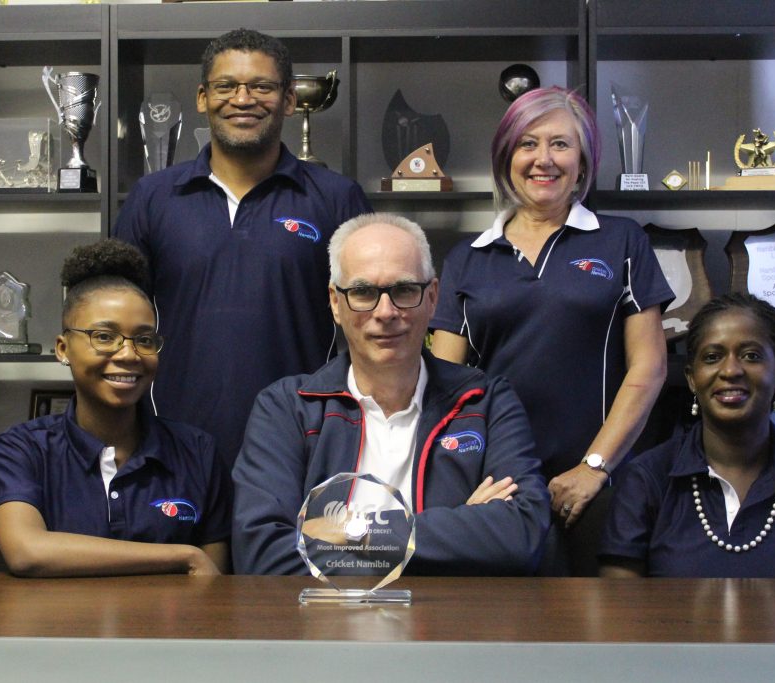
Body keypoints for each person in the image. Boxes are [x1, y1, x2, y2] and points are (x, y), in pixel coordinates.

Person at [430, 87, 673, 573]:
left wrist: (594, 467)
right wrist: (463, 479)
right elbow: (441, 385)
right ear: (506, 159)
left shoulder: (623, 241)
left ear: (582, 163)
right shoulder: (467, 258)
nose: (544, 159)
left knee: (600, 617)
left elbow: (649, 368)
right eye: (528, 143)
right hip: (497, 488)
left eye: (560, 144)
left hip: (598, 487)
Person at [231, 213, 550, 575]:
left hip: (452, 612)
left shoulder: (486, 401)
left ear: (432, 297)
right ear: (335, 303)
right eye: (363, 292)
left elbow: (520, 534)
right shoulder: (287, 407)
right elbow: (264, 555)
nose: (386, 312)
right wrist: (462, 531)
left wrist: (337, 533)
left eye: (404, 290)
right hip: (326, 613)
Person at [113, 28, 371, 469]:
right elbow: (113, 322)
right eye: (226, 86)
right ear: (202, 98)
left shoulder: (337, 198)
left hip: (305, 446)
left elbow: (371, 321)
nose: (243, 99)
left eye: (262, 86)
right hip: (174, 445)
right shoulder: (152, 198)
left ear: (289, 100)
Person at [0, 240, 231, 577]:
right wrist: (183, 555)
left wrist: (195, 562)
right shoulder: (23, 449)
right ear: (63, 349)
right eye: (104, 336)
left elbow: (212, 586)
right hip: (54, 615)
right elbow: (27, 552)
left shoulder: (197, 452)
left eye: (144, 339)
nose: (128, 354)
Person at [599, 293, 775, 578]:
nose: (731, 370)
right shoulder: (647, 479)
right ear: (692, 378)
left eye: (751, 356)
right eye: (712, 357)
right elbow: (620, 603)